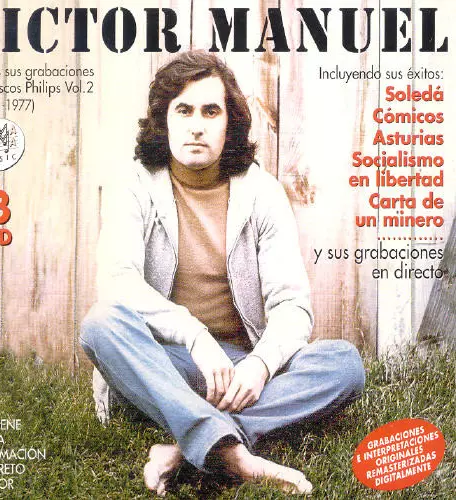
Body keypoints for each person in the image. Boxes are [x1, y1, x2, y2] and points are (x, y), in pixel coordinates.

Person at [79, 50, 365, 496]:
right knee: (101, 322)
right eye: (184, 110)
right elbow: (118, 282)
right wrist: (194, 337)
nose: (197, 125)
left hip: (236, 370)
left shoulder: (262, 193)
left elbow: (292, 306)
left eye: (211, 111)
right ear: (164, 120)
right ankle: (229, 450)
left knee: (343, 363)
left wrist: (260, 366)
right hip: (165, 365)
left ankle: (187, 444)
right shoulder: (135, 185)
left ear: (229, 123)